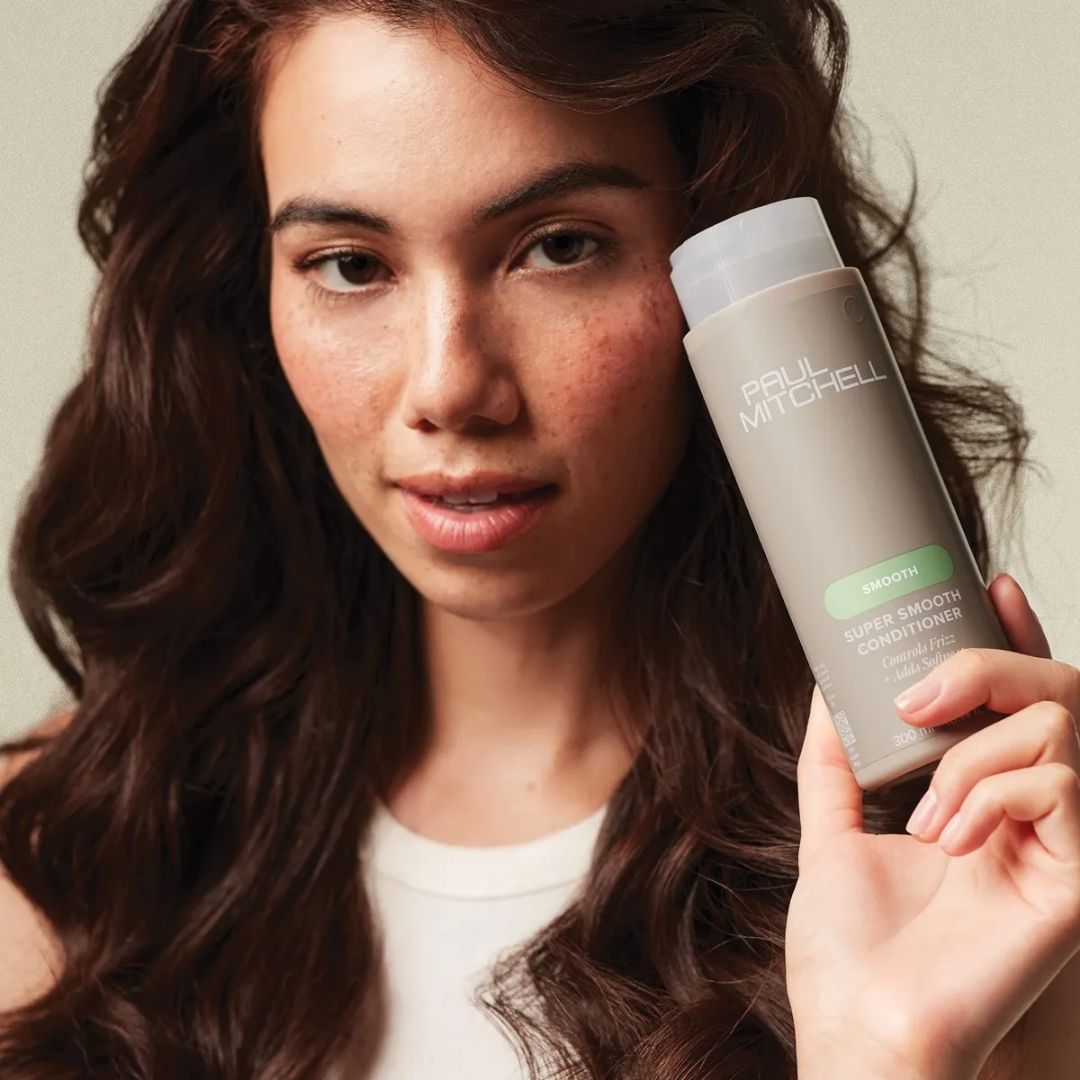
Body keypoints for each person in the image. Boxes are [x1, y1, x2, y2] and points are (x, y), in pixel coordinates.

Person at [2, 2, 1078, 1077]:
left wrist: (890, 1053)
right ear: (248, 289)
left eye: (560, 248)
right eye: (349, 265)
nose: (450, 387)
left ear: (712, 263)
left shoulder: (975, 893)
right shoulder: (62, 861)